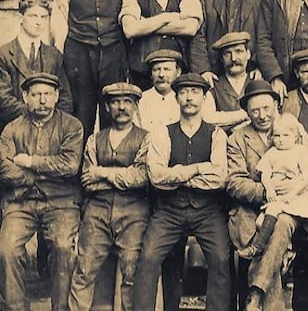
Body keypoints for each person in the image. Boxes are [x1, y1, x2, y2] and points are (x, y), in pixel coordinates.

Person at [133, 73, 229, 311]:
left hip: (207, 211)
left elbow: (218, 178)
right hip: (169, 211)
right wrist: (197, 169)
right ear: (176, 97)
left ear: (204, 98)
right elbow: (156, 176)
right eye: (184, 92)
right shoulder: (162, 133)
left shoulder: (216, 134)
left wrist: (175, 175)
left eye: (195, 92)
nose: (189, 98)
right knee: (148, 258)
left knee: (221, 258)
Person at [227, 80, 308, 311]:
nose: (262, 115)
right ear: (247, 112)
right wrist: (266, 192)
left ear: (276, 106)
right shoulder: (237, 139)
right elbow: (234, 181)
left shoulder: (291, 128)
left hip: (292, 205)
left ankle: (256, 293)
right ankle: (261, 298)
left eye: (266, 108)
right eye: (255, 110)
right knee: (271, 233)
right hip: (252, 210)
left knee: (279, 225)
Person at [0, 73, 83, 311]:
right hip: (21, 202)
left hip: (61, 202)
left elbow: (69, 165)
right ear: (25, 97)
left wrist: (30, 161)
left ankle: (61, 308)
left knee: (63, 247)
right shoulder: (12, 129)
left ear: (56, 96)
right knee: (6, 249)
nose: (42, 100)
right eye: (36, 95)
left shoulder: (72, 126)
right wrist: (33, 176)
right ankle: (16, 307)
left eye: (47, 94)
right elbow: (3, 167)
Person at [68, 82, 150, 311]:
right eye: (115, 102)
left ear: (135, 106)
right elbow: (88, 179)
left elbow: (141, 176)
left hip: (134, 212)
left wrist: (102, 174)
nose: (121, 107)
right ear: (106, 107)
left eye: (127, 102)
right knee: (84, 269)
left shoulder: (146, 138)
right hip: (97, 211)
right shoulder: (95, 140)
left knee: (132, 271)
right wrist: (122, 177)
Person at [51, 0, 135, 137]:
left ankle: (109, 156)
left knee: (113, 109)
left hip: (112, 54)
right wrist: (59, 55)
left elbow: (129, 11)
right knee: (81, 112)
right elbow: (59, 20)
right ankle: (79, 158)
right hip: (79, 55)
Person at [236, 113, 308, 260]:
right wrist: (269, 189)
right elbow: (265, 174)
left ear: (295, 136)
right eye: (277, 136)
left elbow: (307, 177)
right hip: (278, 197)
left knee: (273, 213)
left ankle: (256, 248)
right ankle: (286, 253)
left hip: (299, 196)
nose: (280, 140)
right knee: (260, 222)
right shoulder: (272, 153)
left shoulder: (300, 151)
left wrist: (292, 193)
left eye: (286, 135)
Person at [190, 0, 265, 83]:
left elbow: (264, 37)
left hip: (248, 73)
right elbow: (198, 36)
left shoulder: (258, 0)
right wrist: (204, 70)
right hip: (213, 73)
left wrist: (258, 66)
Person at [0, 0, 73, 130]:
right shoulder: (4, 54)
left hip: (50, 130)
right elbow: (4, 100)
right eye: (33, 16)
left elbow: (65, 98)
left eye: (43, 17)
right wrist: (38, 116)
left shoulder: (54, 55)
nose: (39, 22)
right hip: (15, 128)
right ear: (20, 18)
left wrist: (53, 125)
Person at [202, 32, 259, 131]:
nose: (233, 58)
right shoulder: (213, 85)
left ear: (248, 54)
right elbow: (208, 118)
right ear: (221, 59)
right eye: (227, 54)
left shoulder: (257, 81)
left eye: (239, 51)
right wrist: (243, 115)